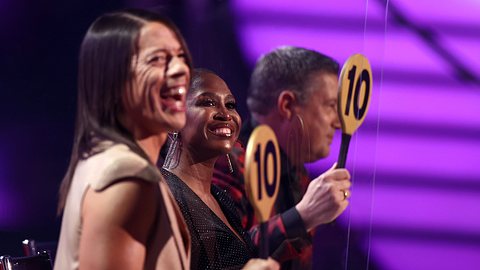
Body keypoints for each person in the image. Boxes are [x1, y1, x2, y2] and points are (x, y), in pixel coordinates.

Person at [54, 9, 193, 269]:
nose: (180, 69)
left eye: (180, 56)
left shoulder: (101, 159)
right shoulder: (127, 178)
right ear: (114, 79)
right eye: (157, 59)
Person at [213, 46, 352, 269]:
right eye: (330, 106)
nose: (337, 123)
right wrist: (302, 216)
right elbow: (221, 257)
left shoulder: (297, 173)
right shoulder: (228, 162)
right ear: (287, 105)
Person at [162, 69, 279, 270]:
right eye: (207, 102)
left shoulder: (222, 199)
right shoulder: (162, 195)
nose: (225, 114)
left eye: (231, 105)